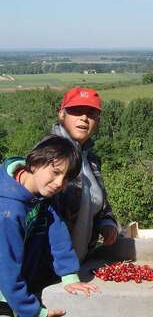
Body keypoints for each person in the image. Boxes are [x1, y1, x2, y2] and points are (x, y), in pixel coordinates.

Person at [0, 135, 98, 317]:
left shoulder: (40, 193)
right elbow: (6, 267)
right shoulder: (8, 210)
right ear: (36, 162)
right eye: (55, 172)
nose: (60, 183)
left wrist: (68, 274)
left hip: (21, 285)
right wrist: (34, 312)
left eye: (66, 177)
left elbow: (56, 229)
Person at [46, 86, 118, 262]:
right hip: (50, 268)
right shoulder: (49, 155)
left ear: (98, 120)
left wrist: (107, 223)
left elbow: (99, 204)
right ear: (62, 114)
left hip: (80, 264)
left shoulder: (90, 159)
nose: (84, 118)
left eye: (91, 113)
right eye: (76, 111)